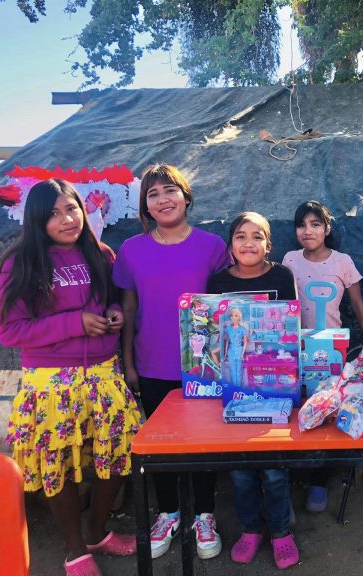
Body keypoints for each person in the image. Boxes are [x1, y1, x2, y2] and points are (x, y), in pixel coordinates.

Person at [0, 179, 143, 576]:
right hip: (50, 383)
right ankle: (75, 550)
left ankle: (97, 533)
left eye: (72, 209)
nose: (67, 219)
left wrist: (114, 313)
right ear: (37, 219)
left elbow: (112, 300)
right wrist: (75, 323)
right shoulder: (20, 262)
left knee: (118, 456)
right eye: (54, 214)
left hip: (103, 375)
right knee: (56, 465)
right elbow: (10, 331)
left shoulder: (101, 253)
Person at [112, 164, 230, 560]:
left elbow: (227, 304)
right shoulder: (131, 250)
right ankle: (169, 513)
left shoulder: (213, 246)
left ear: (186, 196)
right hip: (152, 364)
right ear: (145, 206)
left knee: (204, 443)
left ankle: (205, 514)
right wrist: (129, 363)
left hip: (204, 365)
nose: (163, 199)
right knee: (160, 445)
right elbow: (129, 309)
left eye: (170, 190)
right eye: (153, 194)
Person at [207, 211, 299, 569]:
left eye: (257, 236)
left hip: (274, 387)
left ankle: (280, 531)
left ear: (269, 244)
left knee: (275, 469)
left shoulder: (282, 276)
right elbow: (211, 335)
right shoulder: (217, 282)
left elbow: (293, 326)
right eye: (241, 236)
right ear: (230, 245)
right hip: (232, 389)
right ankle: (250, 528)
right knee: (240, 470)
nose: (249, 243)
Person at [282, 200, 363, 512]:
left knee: (326, 410)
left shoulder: (342, 262)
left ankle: (319, 481)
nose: (308, 231)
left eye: (315, 224)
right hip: (294, 350)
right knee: (294, 409)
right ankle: (287, 481)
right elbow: (282, 305)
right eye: (302, 225)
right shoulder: (289, 260)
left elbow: (358, 306)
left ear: (326, 229)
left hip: (331, 353)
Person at [223, 307, 248, 385]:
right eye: (232, 315)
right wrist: (225, 353)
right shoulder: (228, 329)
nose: (233, 317)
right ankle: (234, 387)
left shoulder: (242, 329)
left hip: (239, 350)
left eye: (236, 315)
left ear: (239, 317)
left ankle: (238, 387)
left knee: (239, 370)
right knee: (232, 370)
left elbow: (245, 342)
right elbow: (227, 342)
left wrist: (242, 353)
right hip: (231, 351)